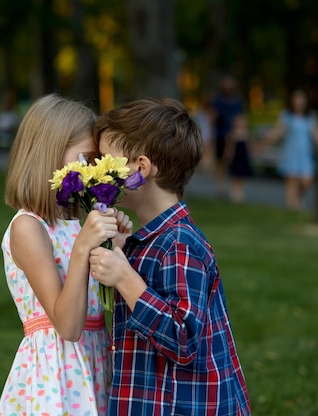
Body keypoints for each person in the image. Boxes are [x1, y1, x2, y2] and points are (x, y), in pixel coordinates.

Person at [88, 98, 251, 415]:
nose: (98, 171)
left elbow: (184, 338)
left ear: (141, 168)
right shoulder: (149, 241)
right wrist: (121, 252)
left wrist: (125, 278)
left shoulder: (179, 243)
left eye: (107, 161)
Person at [0, 94, 133, 416]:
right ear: (51, 154)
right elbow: (68, 326)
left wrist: (118, 249)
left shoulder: (74, 223)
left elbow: (100, 305)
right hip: (56, 377)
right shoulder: (28, 229)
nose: (92, 170)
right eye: (86, 159)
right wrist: (84, 248)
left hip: (95, 364)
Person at [259, 89, 318, 210]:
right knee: (292, 181)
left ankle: (297, 199)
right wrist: (263, 144)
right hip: (291, 152)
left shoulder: (310, 116)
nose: (299, 103)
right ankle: (291, 206)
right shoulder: (287, 116)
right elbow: (277, 132)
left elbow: (317, 134)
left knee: (307, 181)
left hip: (305, 153)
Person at [211, 75, 245, 196]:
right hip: (221, 135)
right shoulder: (218, 101)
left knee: (236, 162)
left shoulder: (237, 101)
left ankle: (236, 191)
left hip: (235, 136)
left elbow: (241, 118)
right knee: (221, 161)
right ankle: (220, 187)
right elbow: (213, 118)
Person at [224, 113, 254, 202]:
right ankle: (234, 193)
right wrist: (228, 156)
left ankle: (240, 193)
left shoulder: (247, 134)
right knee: (235, 176)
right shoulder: (232, 135)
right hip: (236, 158)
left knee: (242, 176)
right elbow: (230, 147)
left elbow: (250, 146)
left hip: (243, 157)